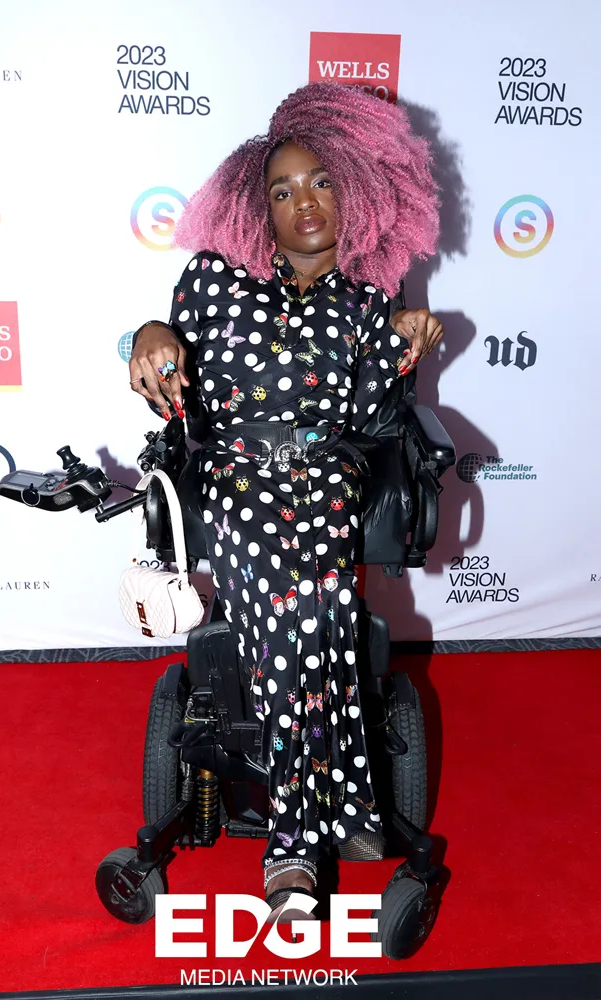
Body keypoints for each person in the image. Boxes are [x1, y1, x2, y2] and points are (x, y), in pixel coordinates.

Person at [129, 82, 442, 921]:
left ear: (356, 188)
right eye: (282, 190)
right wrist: (150, 338)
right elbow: (169, 368)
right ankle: (319, 828)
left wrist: (404, 346)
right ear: (255, 204)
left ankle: (296, 840)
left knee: (319, 602)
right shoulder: (211, 279)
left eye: (322, 182)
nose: (304, 202)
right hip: (234, 477)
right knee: (311, 606)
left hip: (327, 477)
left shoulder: (370, 301)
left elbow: (372, 423)